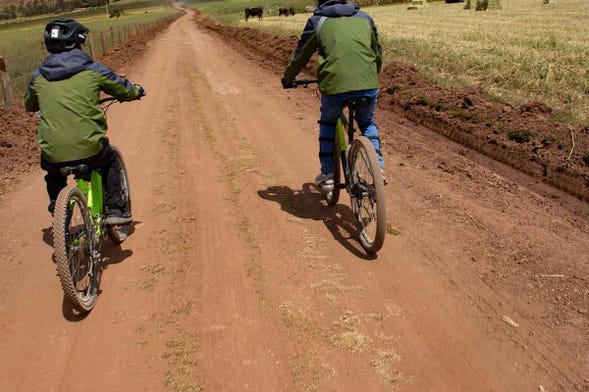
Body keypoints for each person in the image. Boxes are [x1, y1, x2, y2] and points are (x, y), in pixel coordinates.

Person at [24, 18, 145, 224]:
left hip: (54, 152)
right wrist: (136, 92)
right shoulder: (93, 70)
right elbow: (123, 89)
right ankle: (116, 208)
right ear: (78, 43)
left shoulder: (38, 77)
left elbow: (30, 104)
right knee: (108, 161)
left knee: (52, 171)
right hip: (90, 148)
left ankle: (58, 207)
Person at [281, 0, 385, 190]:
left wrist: (288, 78)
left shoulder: (317, 21)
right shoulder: (364, 17)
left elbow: (300, 56)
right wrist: (371, 75)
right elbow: (377, 52)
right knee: (367, 123)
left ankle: (328, 174)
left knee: (328, 122)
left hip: (335, 87)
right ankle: (377, 167)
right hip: (368, 83)